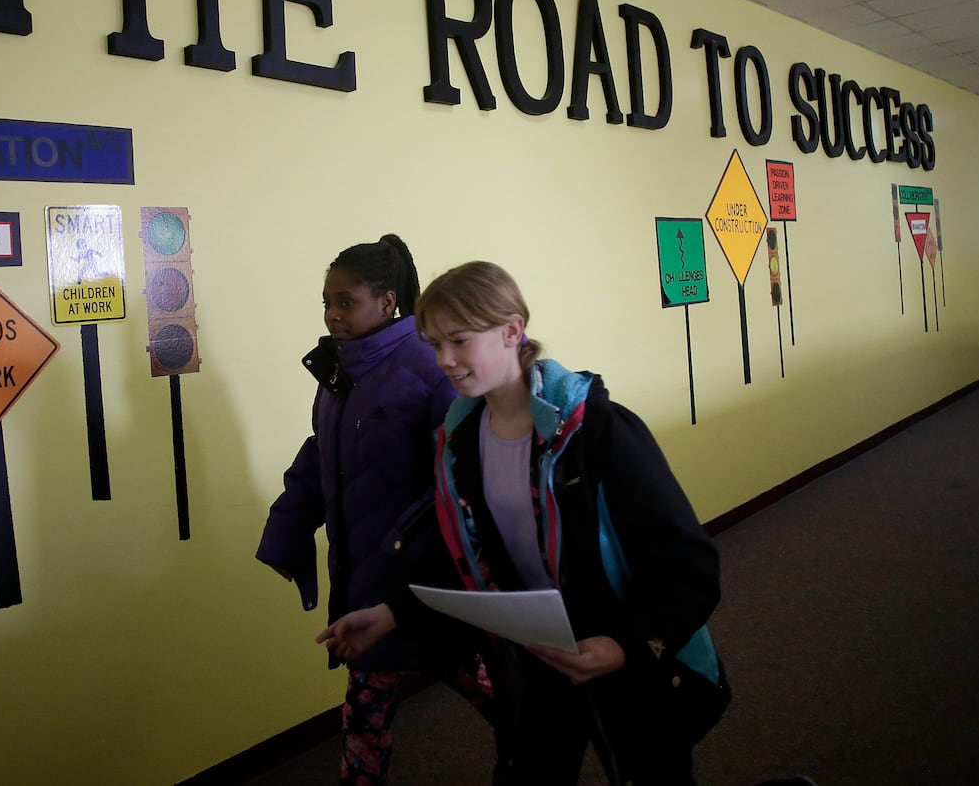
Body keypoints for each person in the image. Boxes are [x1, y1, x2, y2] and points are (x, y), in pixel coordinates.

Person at [318, 260, 724, 786]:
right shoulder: (459, 441)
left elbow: (685, 560)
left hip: (621, 651)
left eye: (459, 341)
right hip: (534, 653)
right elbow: (460, 549)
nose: (444, 360)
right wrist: (394, 611)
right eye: (434, 343)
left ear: (513, 330)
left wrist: (626, 644)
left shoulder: (596, 430)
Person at [257, 235, 489, 786]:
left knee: (499, 692)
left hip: (422, 579)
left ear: (387, 302)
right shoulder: (338, 373)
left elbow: (458, 483)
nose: (333, 315)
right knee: (364, 720)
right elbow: (321, 457)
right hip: (363, 578)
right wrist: (287, 531)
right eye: (327, 302)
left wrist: (422, 569)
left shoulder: (432, 367)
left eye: (346, 301)